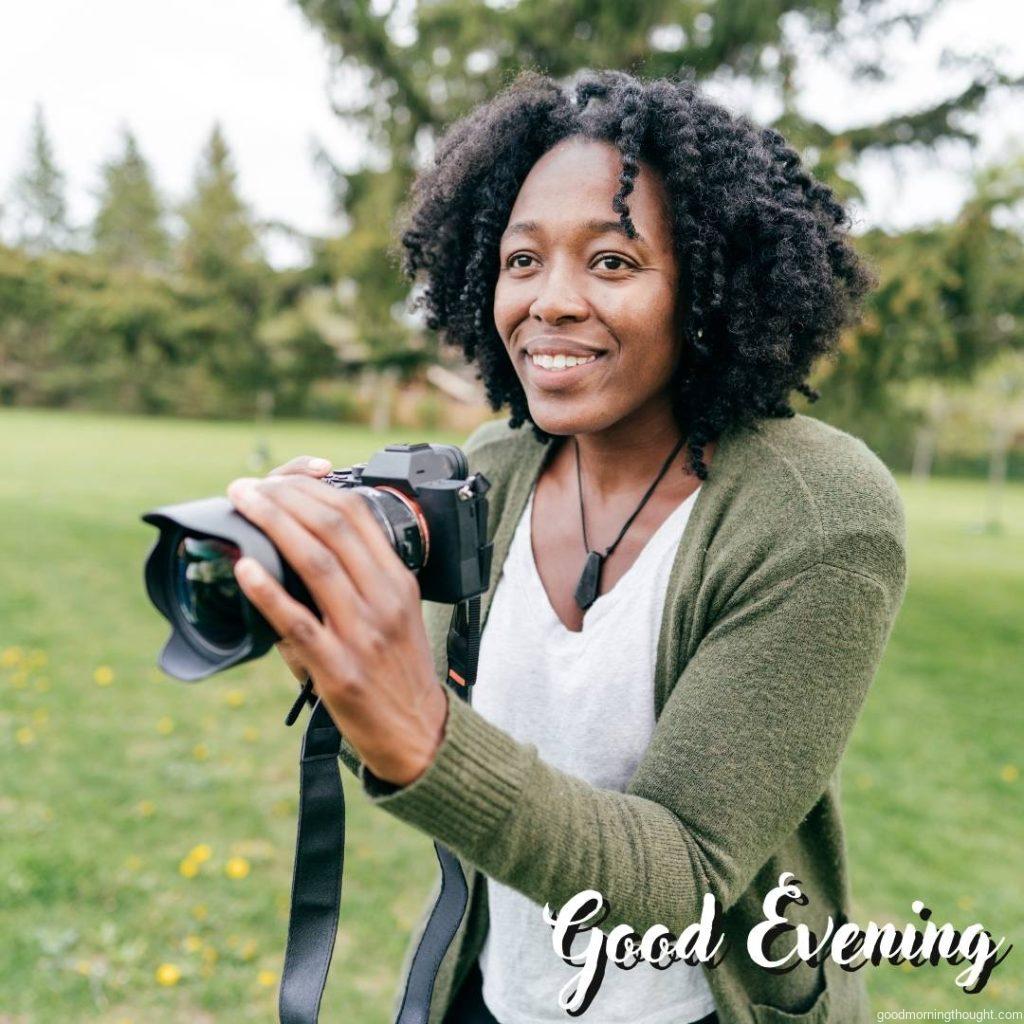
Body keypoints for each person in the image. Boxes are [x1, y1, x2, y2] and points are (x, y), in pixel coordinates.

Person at [226, 69, 907, 1024]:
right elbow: (431, 727)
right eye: (521, 259)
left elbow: (689, 879)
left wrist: (418, 733)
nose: (550, 301)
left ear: (711, 289)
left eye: (613, 263)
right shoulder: (491, 469)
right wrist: (332, 626)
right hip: (495, 992)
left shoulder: (815, 511)